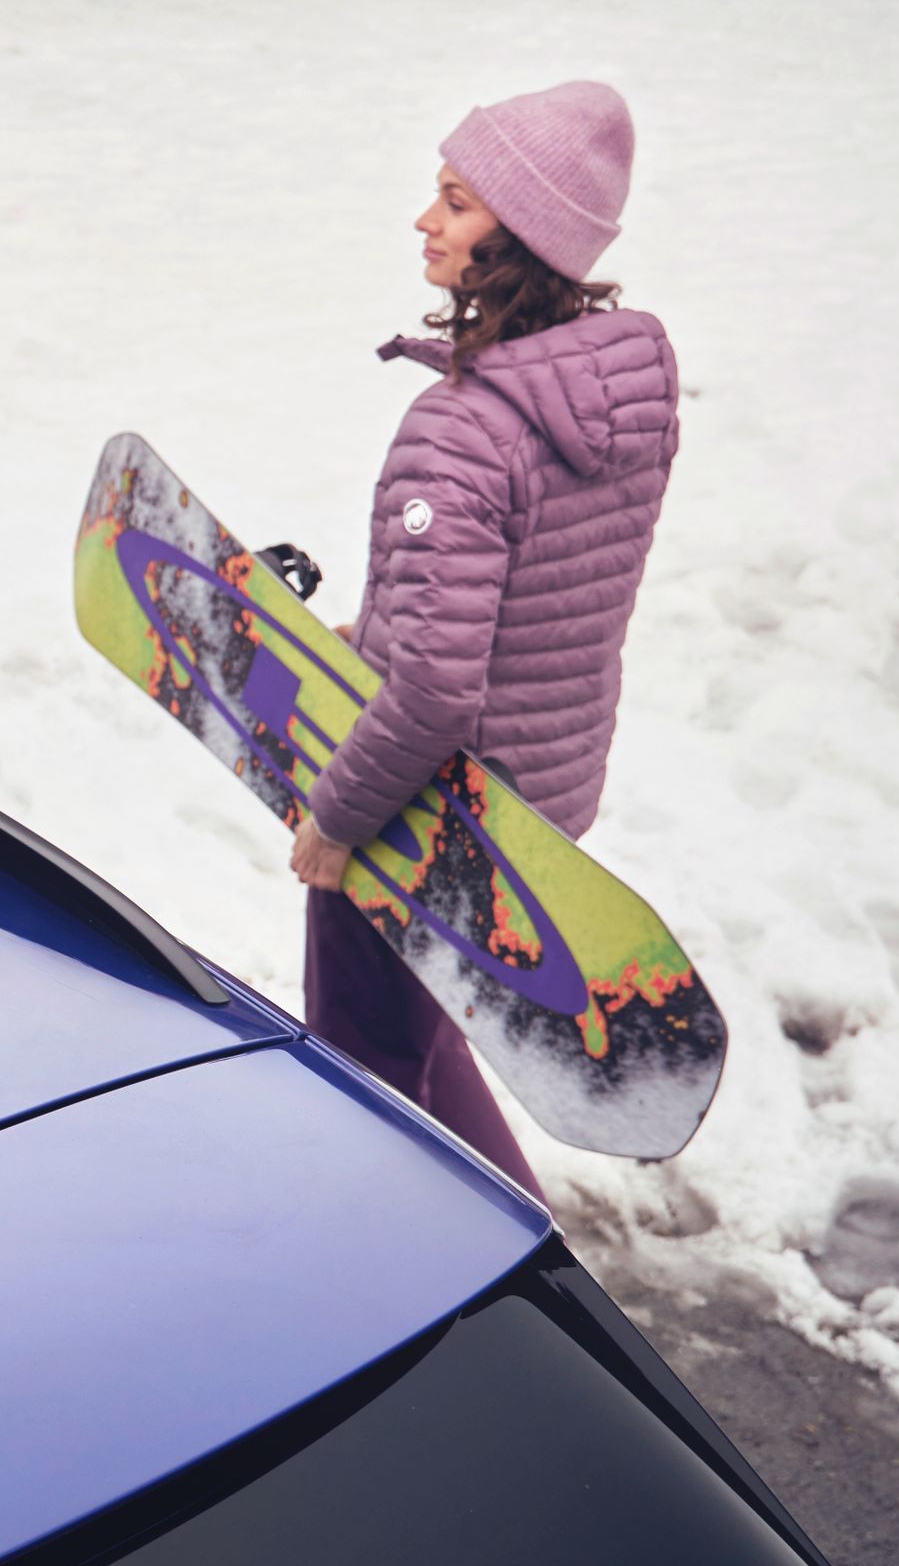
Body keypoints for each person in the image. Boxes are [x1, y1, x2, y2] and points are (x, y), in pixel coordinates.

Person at [288, 81, 678, 1201]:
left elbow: (439, 691)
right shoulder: (622, 395)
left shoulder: (461, 433)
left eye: (455, 203)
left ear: (521, 237)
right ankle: (516, 1258)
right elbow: (543, 588)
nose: (425, 220)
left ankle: (443, 1288)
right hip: (540, 793)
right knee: (428, 1028)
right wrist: (386, 622)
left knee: (363, 1058)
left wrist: (337, 821)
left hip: (430, 815)